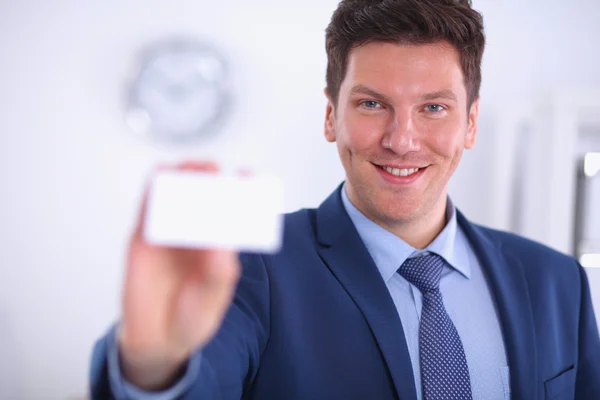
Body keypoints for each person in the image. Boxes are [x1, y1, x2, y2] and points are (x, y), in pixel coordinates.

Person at [90, 0, 600, 399]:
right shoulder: (251, 265)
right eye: (372, 103)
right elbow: (197, 383)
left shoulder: (557, 282)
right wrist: (152, 361)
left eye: (434, 107)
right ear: (332, 115)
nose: (402, 139)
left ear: (470, 123)